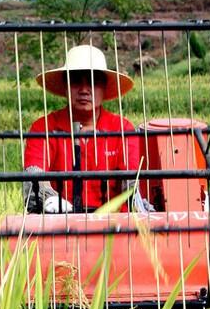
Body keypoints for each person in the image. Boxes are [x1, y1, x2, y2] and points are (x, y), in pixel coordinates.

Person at [23, 44, 150, 213]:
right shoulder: (44, 128)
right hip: (58, 224)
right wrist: (50, 199)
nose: (84, 90)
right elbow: (34, 174)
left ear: (104, 88)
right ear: (65, 86)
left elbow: (131, 183)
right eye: (76, 81)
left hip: (113, 226)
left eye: (93, 81)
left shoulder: (122, 128)